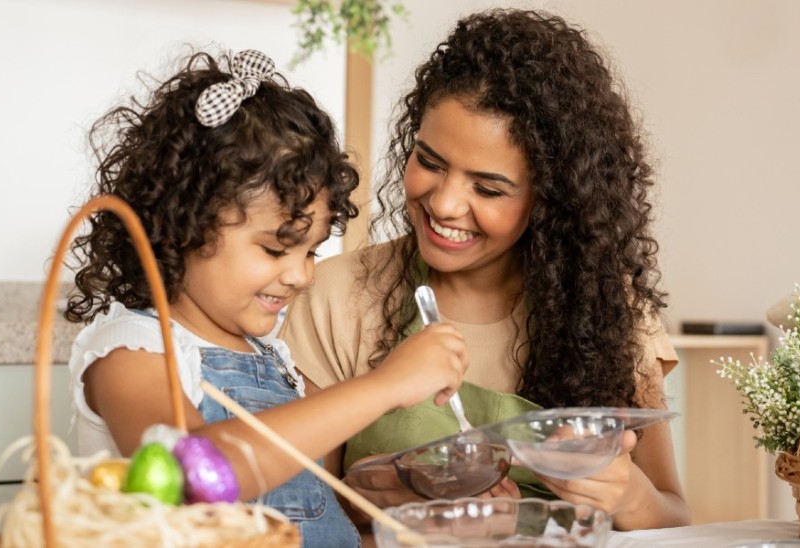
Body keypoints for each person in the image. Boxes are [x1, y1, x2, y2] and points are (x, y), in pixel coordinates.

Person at [280, 9, 691, 532]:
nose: (446, 203)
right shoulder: (337, 297)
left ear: (551, 200)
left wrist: (628, 494)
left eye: (489, 189)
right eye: (429, 161)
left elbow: (677, 521)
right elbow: (299, 519)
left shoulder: (611, 311)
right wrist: (378, 502)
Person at [64, 49, 469, 546]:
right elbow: (194, 475)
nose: (301, 276)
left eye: (312, 251)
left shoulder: (276, 360)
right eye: (277, 247)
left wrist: (380, 488)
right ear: (180, 228)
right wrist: (386, 384)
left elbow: (311, 500)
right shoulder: (133, 352)